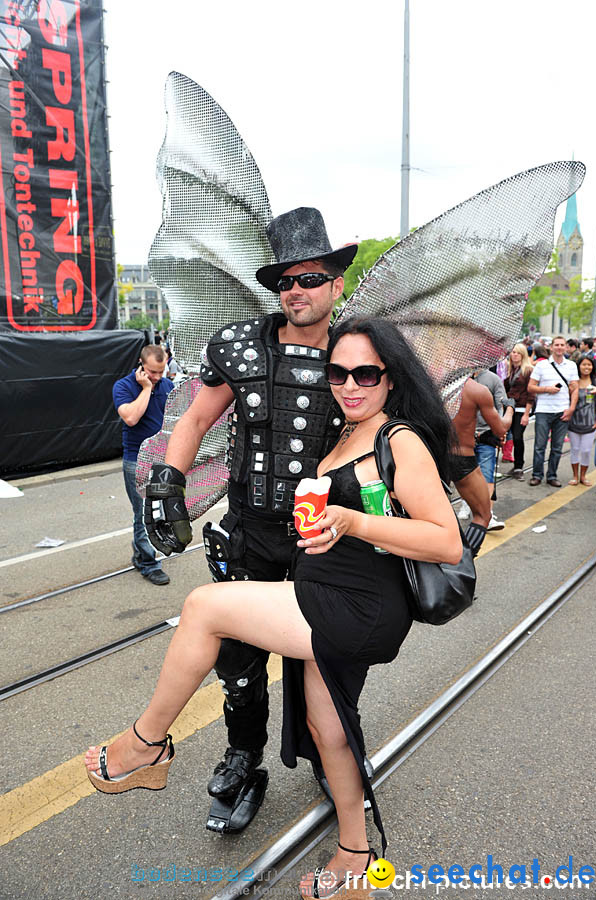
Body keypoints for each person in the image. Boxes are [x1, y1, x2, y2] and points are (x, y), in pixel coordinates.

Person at [85, 316, 461, 897]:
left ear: (390, 377)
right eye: (339, 372)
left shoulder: (397, 438)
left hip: (352, 603)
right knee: (326, 726)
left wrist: (353, 521)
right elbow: (203, 416)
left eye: (366, 373)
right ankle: (356, 855)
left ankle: (146, 744)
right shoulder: (346, 432)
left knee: (205, 608)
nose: (350, 384)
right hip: (329, 590)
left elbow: (445, 539)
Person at [143, 207, 358, 832]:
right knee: (237, 663)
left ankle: (329, 752)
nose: (297, 290)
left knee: (327, 659)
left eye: (311, 277)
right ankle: (245, 755)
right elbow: (193, 420)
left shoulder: (359, 355)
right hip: (248, 535)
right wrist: (168, 481)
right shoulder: (242, 346)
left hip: (324, 539)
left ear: (335, 284)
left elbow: (387, 441)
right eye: (286, 280)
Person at [113, 345, 174, 585]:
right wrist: (146, 388)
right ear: (140, 364)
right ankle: (148, 564)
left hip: (161, 460)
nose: (157, 377)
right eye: (152, 372)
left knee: (157, 511)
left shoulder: (167, 386)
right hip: (137, 460)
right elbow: (131, 417)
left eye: (161, 372)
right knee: (144, 513)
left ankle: (141, 555)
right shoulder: (124, 386)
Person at [448, 374, 513, 552]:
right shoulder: (476, 390)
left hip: (433, 457)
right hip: (462, 458)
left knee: (439, 515)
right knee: (483, 514)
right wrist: (510, 409)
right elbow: (500, 428)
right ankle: (464, 560)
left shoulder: (431, 386)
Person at [528, 335, 579, 487]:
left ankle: (552, 475)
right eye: (556, 345)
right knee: (539, 446)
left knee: (557, 447)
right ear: (551, 347)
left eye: (562, 345)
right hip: (543, 410)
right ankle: (537, 475)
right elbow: (531, 387)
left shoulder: (571, 365)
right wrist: (546, 389)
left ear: (565, 347)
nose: (559, 347)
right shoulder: (541, 366)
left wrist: (571, 409)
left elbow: (575, 389)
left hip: (562, 411)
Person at [503, 343, 534, 480]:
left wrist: (527, 414)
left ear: (523, 355)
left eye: (518, 352)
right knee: (509, 436)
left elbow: (531, 393)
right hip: (510, 407)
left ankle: (519, 467)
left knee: (517, 437)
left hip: (521, 408)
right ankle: (516, 466)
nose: (514, 354)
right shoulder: (510, 369)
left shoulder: (528, 370)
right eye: (513, 352)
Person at [567, 356, 596, 485]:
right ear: (578, 366)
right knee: (575, 449)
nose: (587, 367)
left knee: (586, 450)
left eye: (589, 365)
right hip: (574, 422)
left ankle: (583, 476)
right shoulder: (574, 381)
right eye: (584, 365)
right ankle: (575, 476)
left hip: (590, 422)